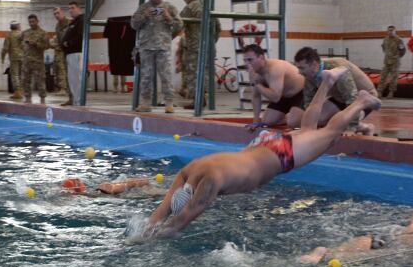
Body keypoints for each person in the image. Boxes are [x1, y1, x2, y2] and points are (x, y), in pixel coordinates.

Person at [141, 65, 382, 238]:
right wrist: (149, 227)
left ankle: (360, 101)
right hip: (264, 144)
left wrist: (146, 241)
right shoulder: (189, 169)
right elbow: (163, 211)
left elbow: (181, 220)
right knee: (308, 129)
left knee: (328, 133)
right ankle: (327, 83)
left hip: (280, 155)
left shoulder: (209, 181)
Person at [298, 201, 413, 263]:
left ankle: (320, 251)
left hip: (379, 239)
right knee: (342, 261)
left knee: (333, 254)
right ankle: (323, 254)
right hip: (388, 251)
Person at [292, 47, 378, 135]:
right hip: (339, 98)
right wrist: (308, 127)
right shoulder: (310, 74)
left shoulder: (338, 69)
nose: (299, 72)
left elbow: (352, 98)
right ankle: (345, 123)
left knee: (339, 123)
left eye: (302, 68)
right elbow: (309, 102)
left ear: (314, 65)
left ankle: (366, 127)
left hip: (364, 99)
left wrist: (351, 128)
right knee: (320, 118)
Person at [130, 0, 183, 113]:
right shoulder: (143, 8)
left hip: (163, 47)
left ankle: (169, 103)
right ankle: (145, 103)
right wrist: (144, 16)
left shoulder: (168, 7)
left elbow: (179, 25)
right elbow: (133, 25)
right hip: (146, 47)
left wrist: (168, 18)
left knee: (166, 76)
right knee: (146, 76)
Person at [241, 44, 307, 131]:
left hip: (301, 93)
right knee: (266, 122)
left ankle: (308, 115)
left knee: (293, 123)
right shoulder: (254, 73)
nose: (247, 64)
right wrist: (255, 121)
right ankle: (289, 116)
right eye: (245, 60)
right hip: (283, 96)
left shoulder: (275, 69)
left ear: (261, 58)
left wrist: (256, 83)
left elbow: (275, 98)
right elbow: (256, 96)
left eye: (250, 60)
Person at [179, 0, 221, 109]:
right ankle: (205, 98)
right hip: (209, 47)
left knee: (193, 74)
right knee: (207, 73)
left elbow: (179, 23)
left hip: (194, 48)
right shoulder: (208, 6)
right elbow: (218, 27)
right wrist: (212, 42)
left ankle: (196, 101)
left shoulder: (190, 7)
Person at [21, 14, 49, 104]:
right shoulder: (25, 33)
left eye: (33, 21)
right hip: (26, 61)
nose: (31, 23)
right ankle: (27, 98)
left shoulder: (43, 33)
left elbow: (46, 46)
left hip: (38, 62)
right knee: (25, 80)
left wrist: (36, 44)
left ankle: (42, 99)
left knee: (40, 81)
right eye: (30, 22)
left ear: (37, 21)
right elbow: (18, 41)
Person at [61, 2, 84, 106]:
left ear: (79, 9)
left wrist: (68, 43)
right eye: (69, 8)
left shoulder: (81, 21)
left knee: (77, 79)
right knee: (72, 80)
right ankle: (76, 101)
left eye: (73, 8)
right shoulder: (73, 22)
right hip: (70, 54)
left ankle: (79, 101)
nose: (70, 10)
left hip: (76, 53)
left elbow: (80, 36)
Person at [379, 25, 406, 98]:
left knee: (394, 78)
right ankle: (380, 91)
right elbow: (383, 48)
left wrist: (397, 57)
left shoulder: (399, 40)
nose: (390, 32)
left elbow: (403, 50)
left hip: (395, 62)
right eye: (389, 30)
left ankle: (391, 92)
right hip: (387, 61)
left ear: (395, 31)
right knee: (383, 76)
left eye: (392, 30)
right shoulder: (385, 39)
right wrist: (388, 55)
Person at [1, 21, 24, 100]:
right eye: (19, 25)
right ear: (17, 26)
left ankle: (17, 92)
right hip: (23, 57)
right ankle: (21, 91)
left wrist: (2, 57)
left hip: (14, 57)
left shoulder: (9, 35)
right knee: (21, 75)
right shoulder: (22, 34)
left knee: (15, 75)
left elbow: (5, 48)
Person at [51, 7, 71, 100]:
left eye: (58, 13)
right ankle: (63, 88)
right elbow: (59, 39)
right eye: (55, 14)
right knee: (61, 69)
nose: (56, 15)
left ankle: (69, 88)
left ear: (62, 12)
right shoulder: (57, 26)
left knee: (69, 69)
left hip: (70, 49)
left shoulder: (70, 22)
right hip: (61, 50)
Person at [62, 177, 154, 195]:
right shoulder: (102, 188)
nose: (80, 180)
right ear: (78, 186)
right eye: (77, 180)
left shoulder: (93, 193)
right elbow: (131, 183)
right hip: (143, 192)